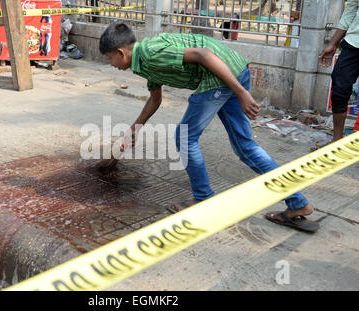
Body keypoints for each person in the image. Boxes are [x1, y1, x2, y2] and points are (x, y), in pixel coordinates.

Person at [99, 22, 319, 233]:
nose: (112, 65)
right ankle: (298, 202)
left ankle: (203, 199)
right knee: (245, 147)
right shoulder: (143, 61)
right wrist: (134, 129)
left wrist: (241, 93)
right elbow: (155, 99)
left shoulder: (151, 53)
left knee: (184, 137)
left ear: (121, 52)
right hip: (235, 71)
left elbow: (204, 55)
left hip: (219, 78)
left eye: (110, 59)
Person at [319, 0, 359, 142]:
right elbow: (351, 10)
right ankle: (337, 141)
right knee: (339, 91)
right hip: (354, 42)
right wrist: (333, 43)